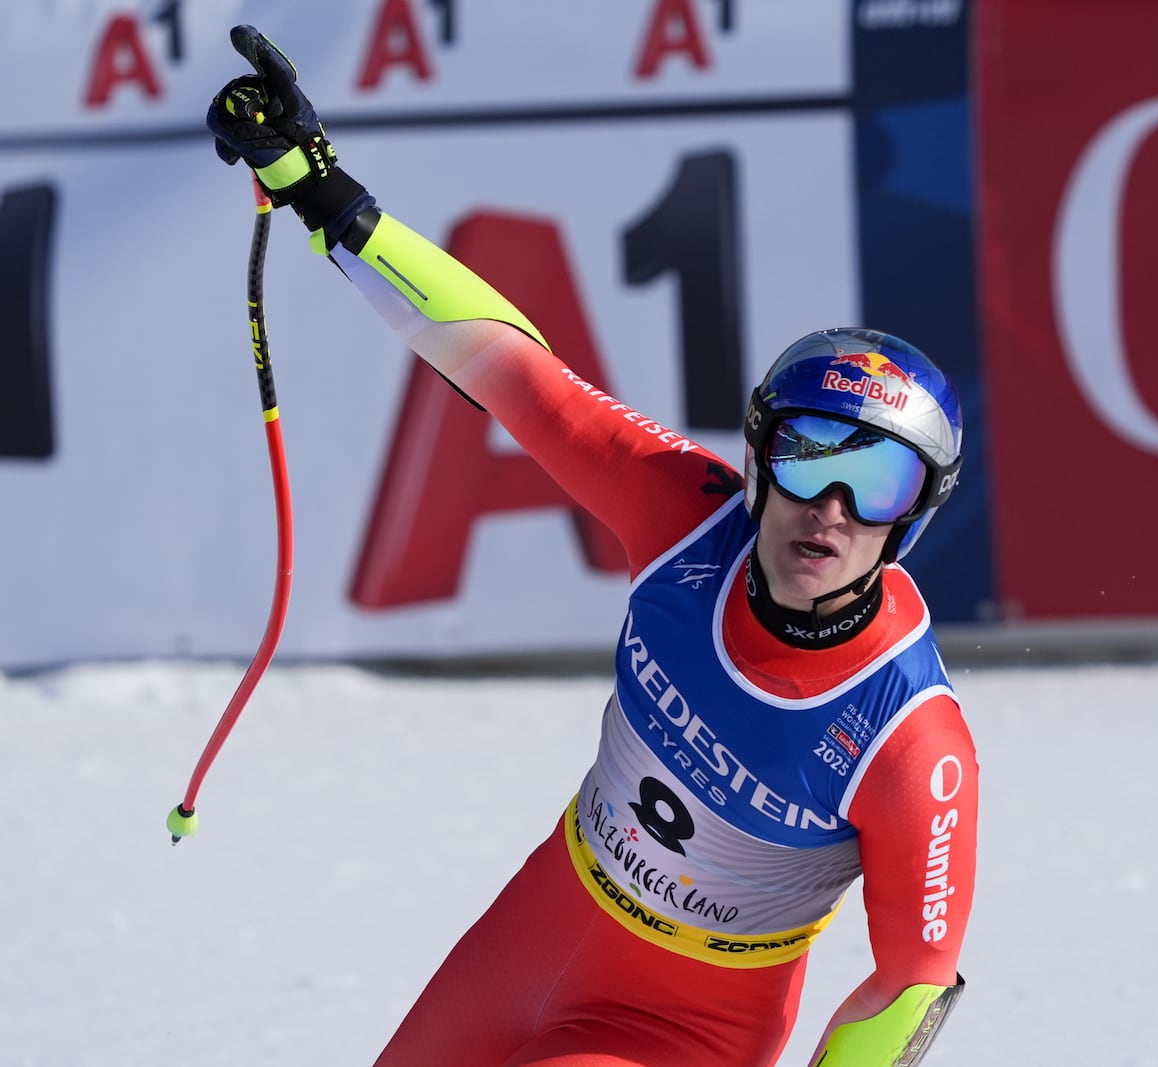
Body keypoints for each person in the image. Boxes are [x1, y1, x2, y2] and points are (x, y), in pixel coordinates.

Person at [207, 25, 978, 1067]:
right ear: (755, 461)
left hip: (685, 1024)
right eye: (804, 459)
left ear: (912, 517)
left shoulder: (908, 738)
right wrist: (325, 196)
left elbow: (911, 979)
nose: (828, 508)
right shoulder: (684, 517)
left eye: (874, 483)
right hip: (536, 932)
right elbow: (509, 370)